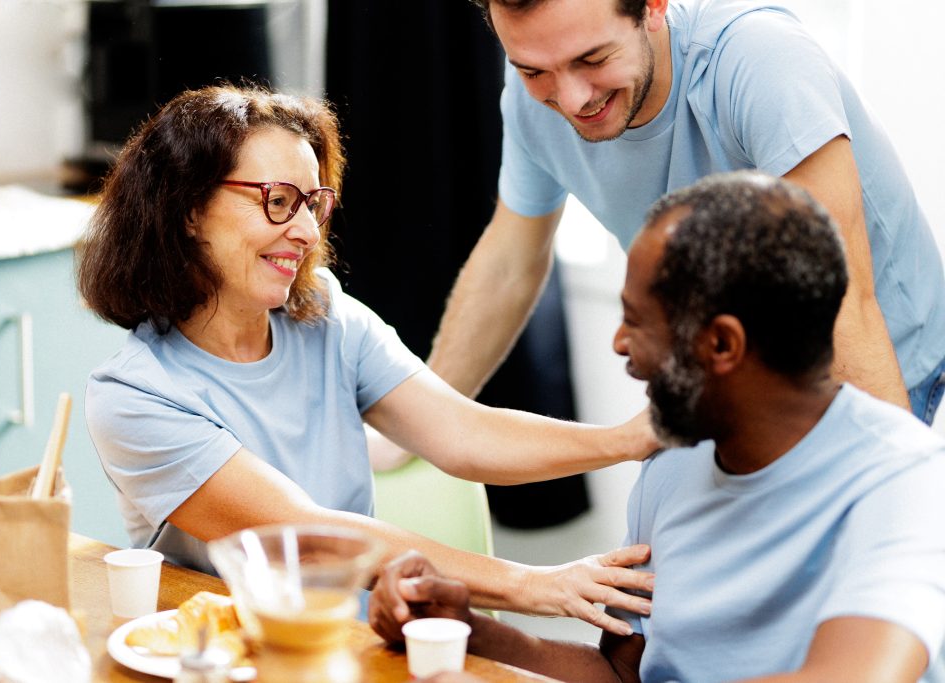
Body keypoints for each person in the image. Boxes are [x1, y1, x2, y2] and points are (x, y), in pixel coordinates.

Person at [77, 83, 659, 630]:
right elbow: (307, 536)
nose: (306, 230)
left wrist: (627, 440)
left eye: (314, 203)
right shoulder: (135, 396)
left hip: (353, 646)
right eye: (279, 201)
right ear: (187, 209)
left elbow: (462, 432)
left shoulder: (325, 311)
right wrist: (531, 585)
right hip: (229, 655)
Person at [369, 172, 945, 683]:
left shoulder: (904, 478)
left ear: (722, 344)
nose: (620, 344)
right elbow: (622, 673)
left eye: (637, 322)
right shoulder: (674, 461)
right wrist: (467, 629)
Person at [420, 0, 945, 425]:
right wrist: (421, 417)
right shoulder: (530, 100)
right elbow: (509, 263)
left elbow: (841, 301)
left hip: (870, 355)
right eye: (535, 70)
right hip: (730, 370)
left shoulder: (761, 60)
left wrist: (895, 506)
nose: (572, 98)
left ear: (652, 6)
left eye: (594, 59)